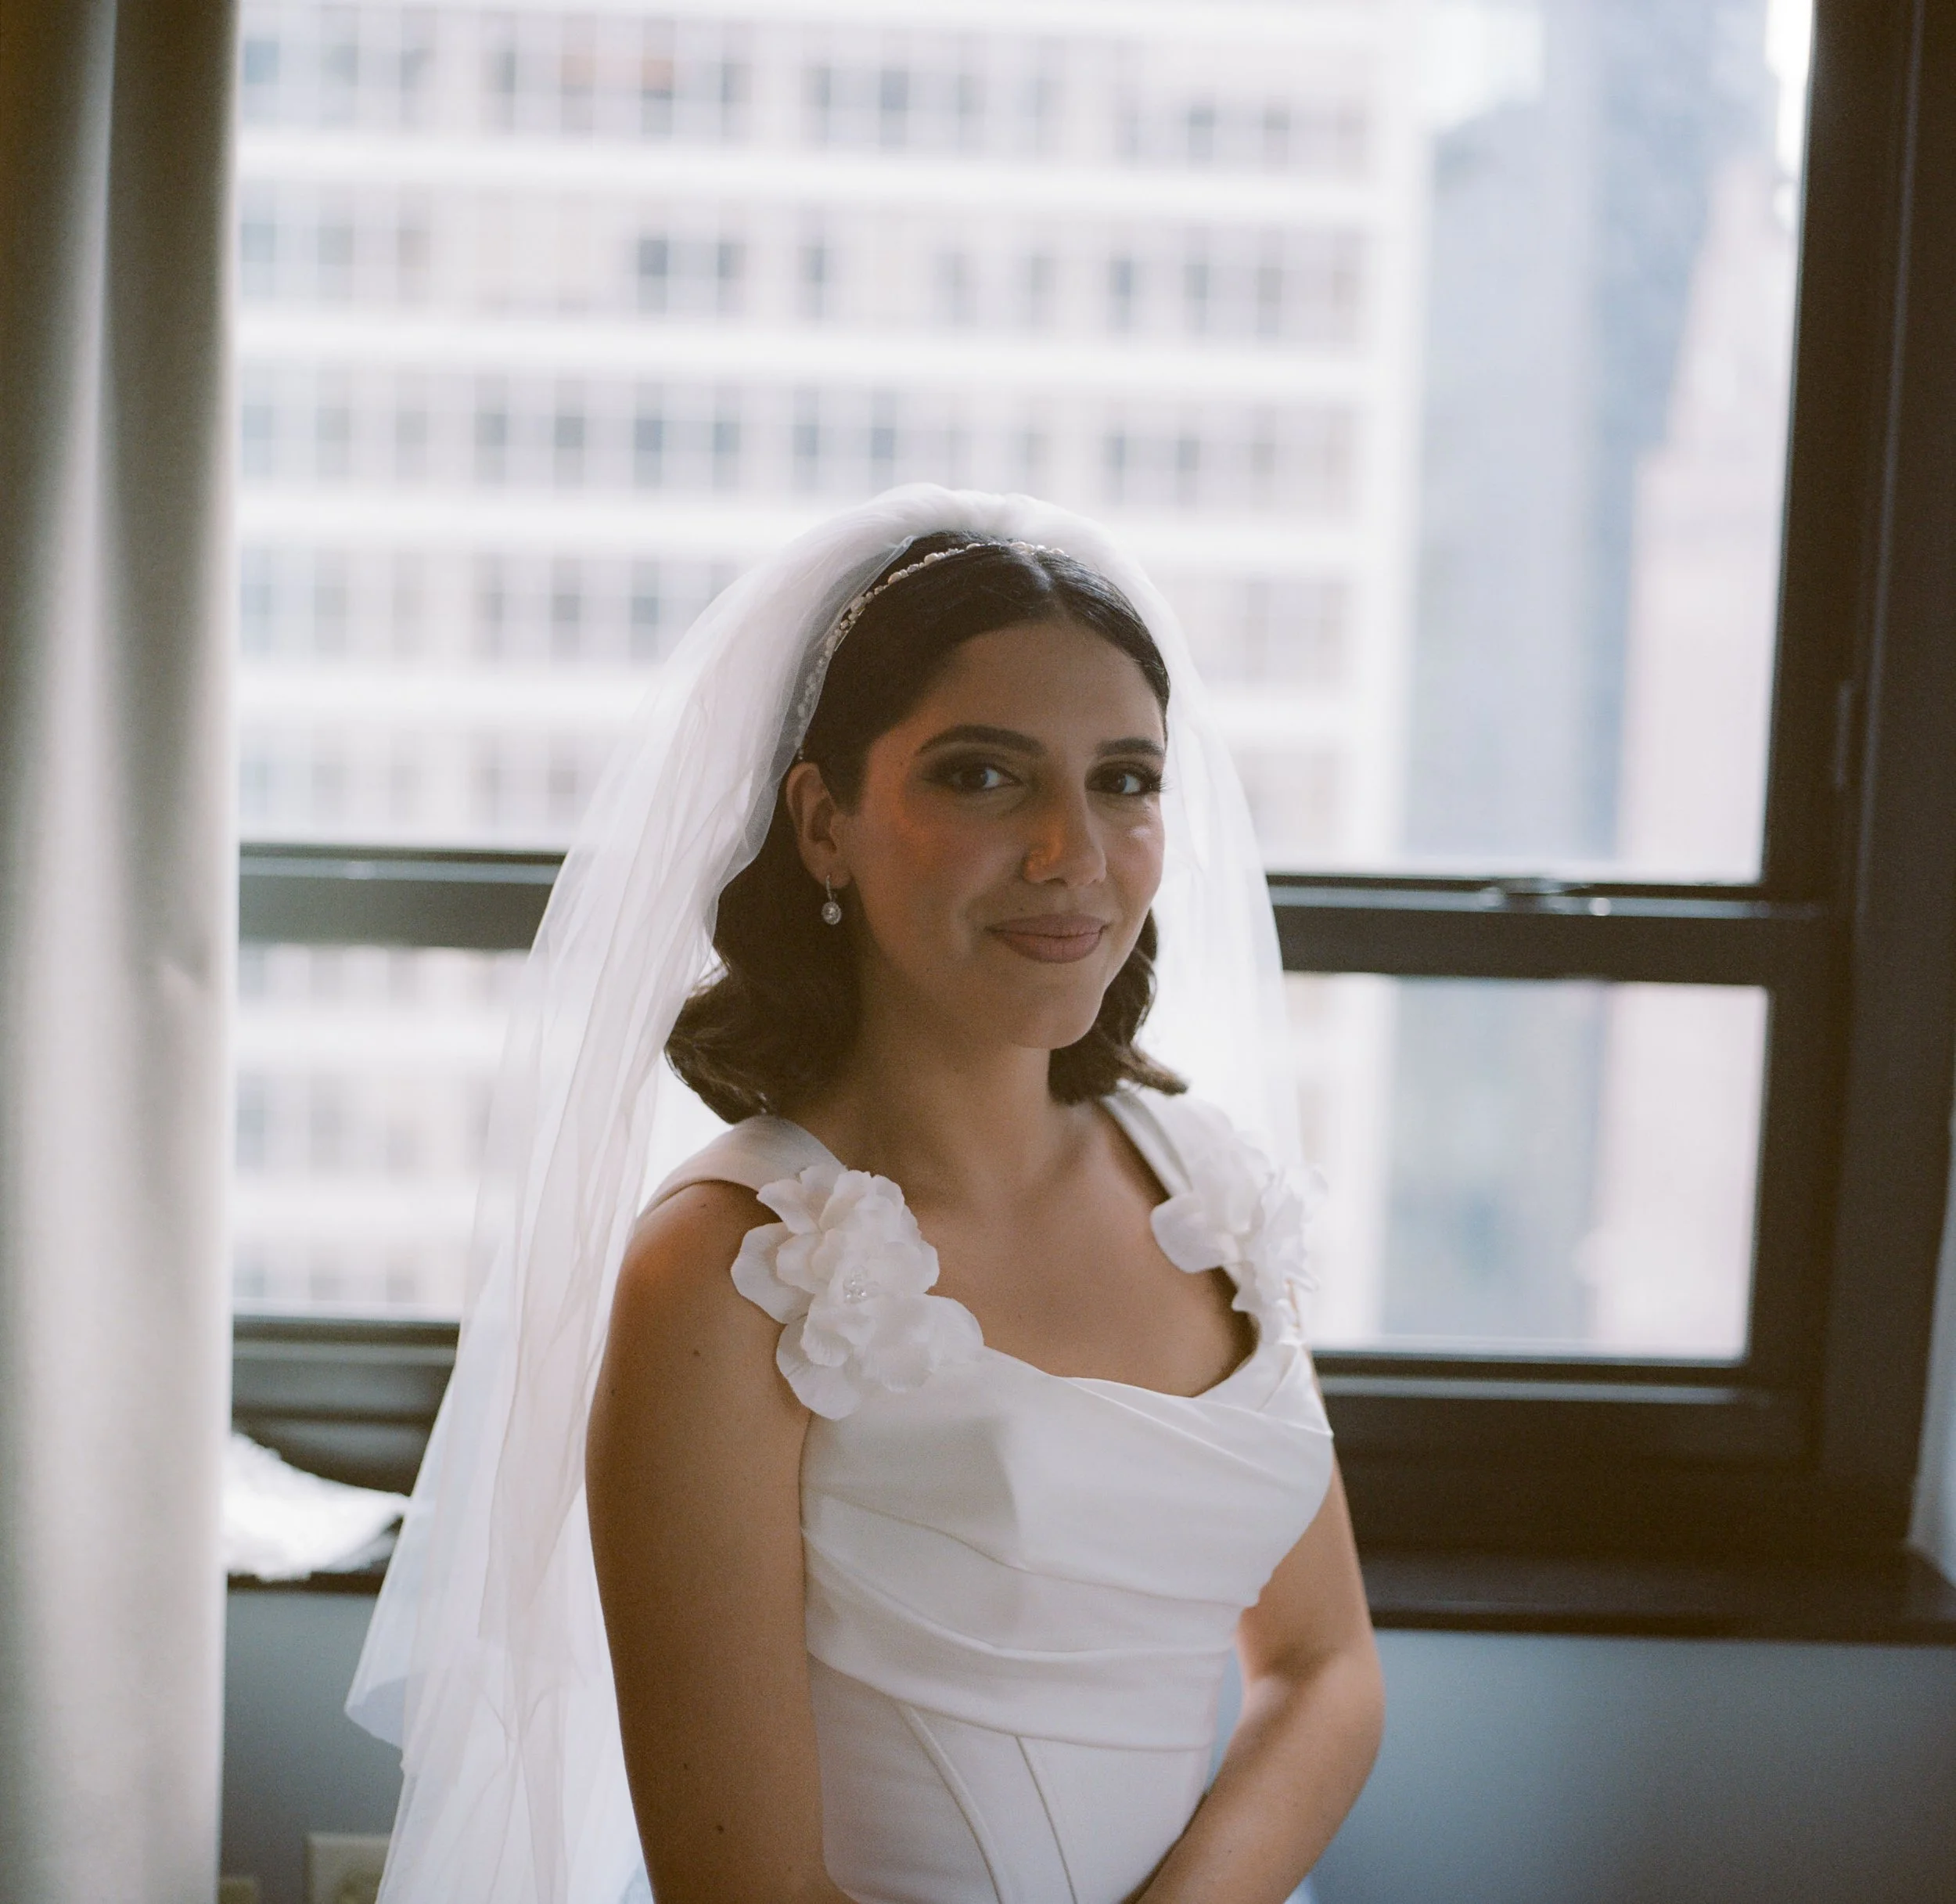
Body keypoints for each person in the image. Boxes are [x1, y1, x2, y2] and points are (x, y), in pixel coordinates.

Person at [347, 490, 1383, 1904]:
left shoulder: (1210, 1185)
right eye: (983, 775)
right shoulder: (729, 1268)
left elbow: (1325, 1670)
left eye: (1125, 780)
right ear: (826, 824)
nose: (1073, 853)